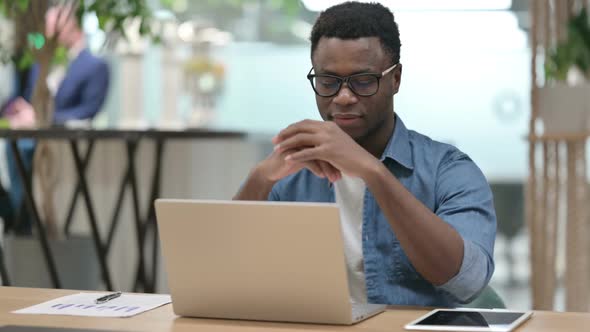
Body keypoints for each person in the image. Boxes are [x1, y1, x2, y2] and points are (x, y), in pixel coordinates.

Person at [234, 2, 496, 307]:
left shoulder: (448, 170)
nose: (343, 98)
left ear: (395, 79)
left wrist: (374, 172)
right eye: (328, 82)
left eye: (362, 82)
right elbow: (227, 275)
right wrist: (259, 178)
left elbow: (468, 280)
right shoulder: (289, 173)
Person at [2, 5, 110, 233]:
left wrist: (42, 118)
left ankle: (20, 221)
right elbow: (27, 95)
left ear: (73, 27)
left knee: (23, 150)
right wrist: (19, 110)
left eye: (54, 28)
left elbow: (87, 111)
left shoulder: (95, 66)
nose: (48, 34)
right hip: (26, 140)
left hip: (62, 146)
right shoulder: (40, 63)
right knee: (15, 149)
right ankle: (18, 220)